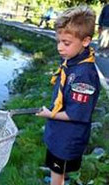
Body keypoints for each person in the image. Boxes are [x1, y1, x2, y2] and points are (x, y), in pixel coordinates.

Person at [35, 6, 100, 185]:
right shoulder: (72, 61)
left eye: (66, 43)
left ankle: (57, 176)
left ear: (85, 41)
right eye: (58, 41)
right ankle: (55, 169)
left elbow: (76, 113)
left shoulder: (84, 76)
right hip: (59, 133)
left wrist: (49, 114)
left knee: (58, 168)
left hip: (67, 138)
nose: (59, 48)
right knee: (56, 162)